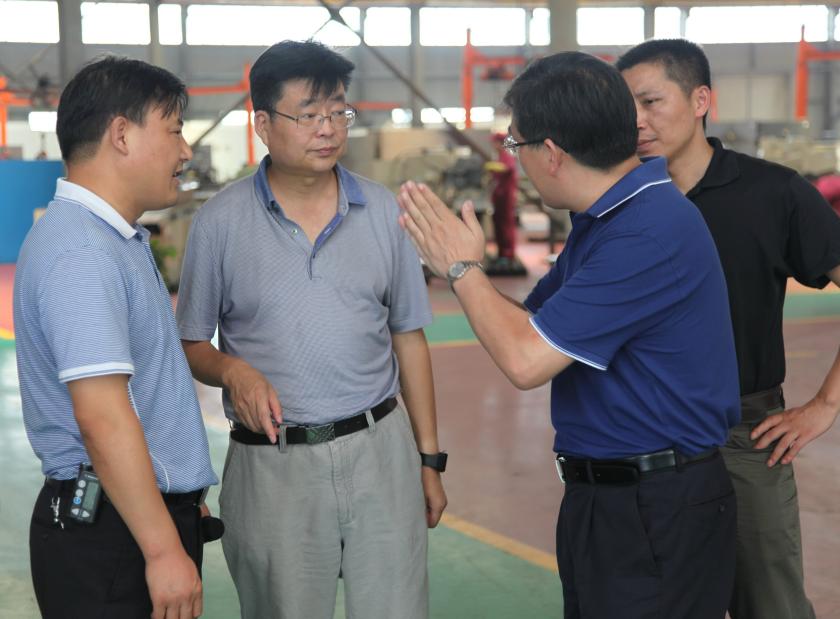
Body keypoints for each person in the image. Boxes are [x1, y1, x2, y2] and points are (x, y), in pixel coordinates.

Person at [398, 51, 740, 619]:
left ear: (552, 153)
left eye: (516, 145)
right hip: (610, 498)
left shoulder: (646, 230)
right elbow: (532, 325)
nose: (516, 158)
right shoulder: (607, 219)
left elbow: (526, 359)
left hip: (656, 506)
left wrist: (462, 269)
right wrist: (471, 274)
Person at [176, 40, 446, 619]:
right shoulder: (219, 223)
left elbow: (408, 337)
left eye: (338, 111)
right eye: (308, 114)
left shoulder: (383, 212)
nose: (328, 129)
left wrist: (428, 460)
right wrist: (233, 370)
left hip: (380, 452)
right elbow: (191, 344)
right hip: (274, 465)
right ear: (263, 124)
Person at [618, 39, 840, 619]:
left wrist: (825, 405)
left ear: (700, 100)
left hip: (743, 437)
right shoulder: (617, 200)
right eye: (625, 106)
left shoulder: (773, 193)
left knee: (770, 605)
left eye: (650, 101)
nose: (635, 121)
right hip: (639, 438)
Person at [13, 56, 218, 619]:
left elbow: (145, 390)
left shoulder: (110, 239)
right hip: (112, 540)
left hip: (129, 516)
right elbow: (101, 417)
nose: (185, 151)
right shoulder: (82, 251)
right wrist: (161, 546)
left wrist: (177, 497)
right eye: (174, 130)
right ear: (122, 135)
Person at [484, 132, 527, 276]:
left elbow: (508, 168)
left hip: (506, 198)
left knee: (506, 225)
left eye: (494, 142)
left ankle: (508, 254)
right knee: (499, 225)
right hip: (499, 197)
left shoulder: (506, 156)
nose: (493, 145)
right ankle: (502, 253)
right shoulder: (498, 156)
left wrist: (493, 166)